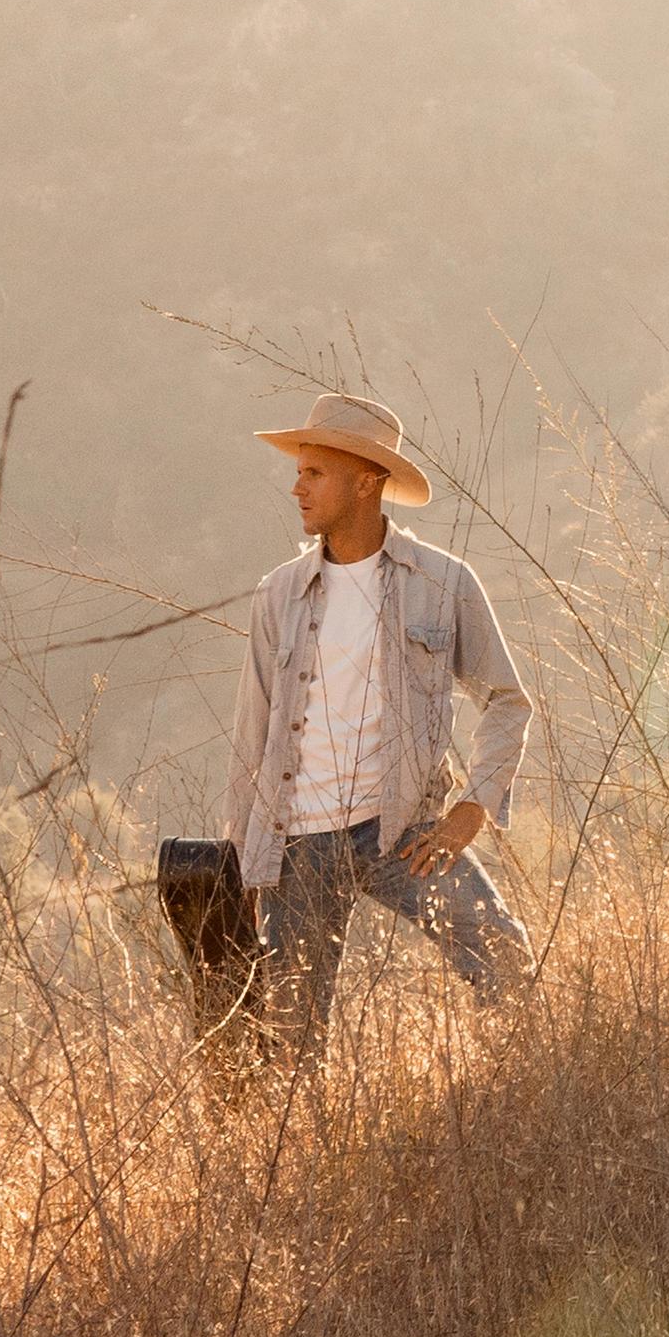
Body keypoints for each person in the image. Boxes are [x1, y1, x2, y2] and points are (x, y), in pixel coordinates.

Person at [225, 391, 535, 1062]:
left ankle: (506, 1117)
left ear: (366, 481)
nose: (296, 487)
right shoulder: (277, 594)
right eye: (298, 471)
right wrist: (247, 865)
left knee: (504, 956)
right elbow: (251, 739)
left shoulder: (442, 584)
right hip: (296, 846)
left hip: (403, 833)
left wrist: (471, 812)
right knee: (291, 1048)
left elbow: (508, 700)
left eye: (314, 473)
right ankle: (306, 1162)